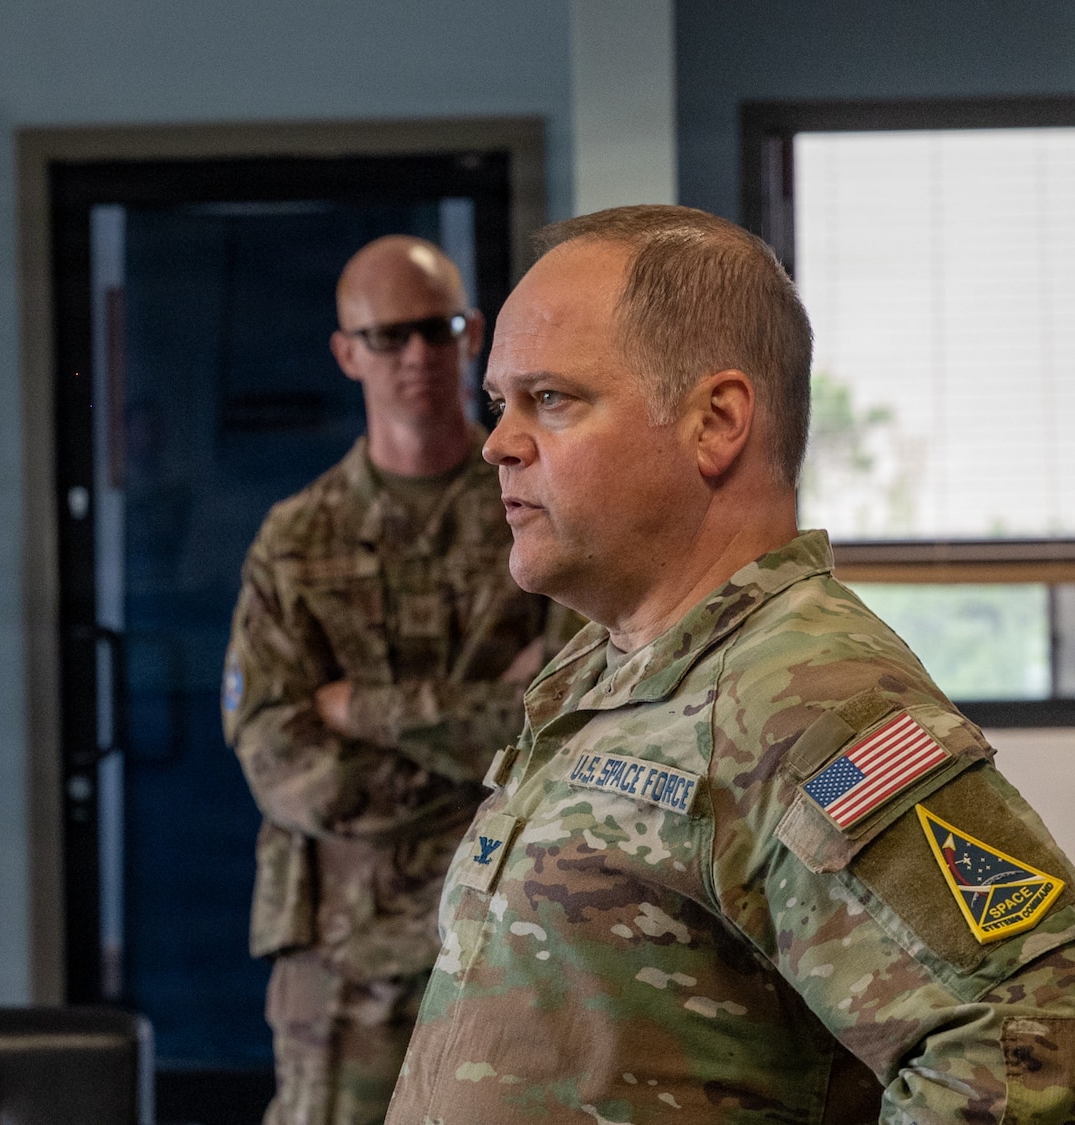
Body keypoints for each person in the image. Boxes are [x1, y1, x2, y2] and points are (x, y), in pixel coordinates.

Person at [387, 205, 1075, 1123]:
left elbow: (1029, 1035)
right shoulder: (610, 672)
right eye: (499, 404)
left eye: (550, 399)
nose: (498, 442)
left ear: (716, 421)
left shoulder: (808, 695)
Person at [223, 236, 565, 1125]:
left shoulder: (542, 516)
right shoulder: (296, 540)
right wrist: (479, 751)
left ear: (473, 333)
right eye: (389, 337)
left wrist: (363, 709)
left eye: (440, 329)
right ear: (347, 352)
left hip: (518, 932)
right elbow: (280, 757)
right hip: (345, 955)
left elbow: (569, 730)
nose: (418, 355)